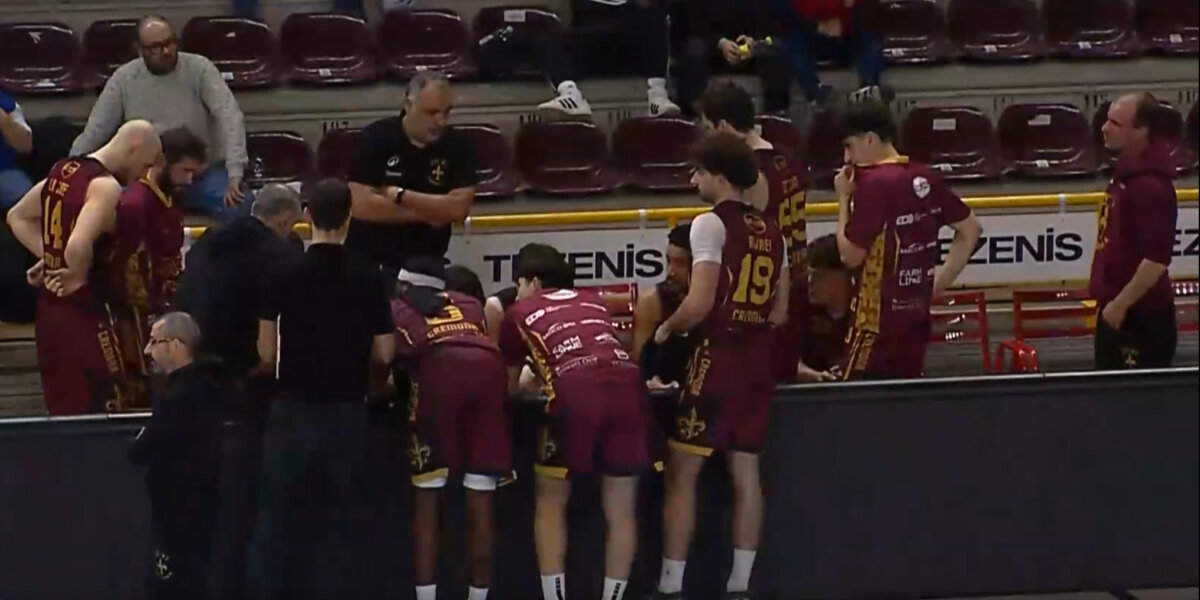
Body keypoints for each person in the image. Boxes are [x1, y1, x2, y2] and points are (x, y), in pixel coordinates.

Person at [650, 132, 787, 600]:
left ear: (720, 176)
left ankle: (671, 584)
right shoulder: (773, 229)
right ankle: (740, 585)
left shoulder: (709, 224)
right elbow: (779, 311)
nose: (693, 180)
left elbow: (700, 301)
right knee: (747, 474)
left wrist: (666, 330)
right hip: (758, 358)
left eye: (698, 172)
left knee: (682, 471)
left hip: (717, 356)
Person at [248, 178, 394, 600]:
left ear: (307, 215)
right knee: (341, 522)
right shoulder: (368, 276)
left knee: (275, 520)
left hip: (291, 410)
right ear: (350, 218)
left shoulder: (281, 272)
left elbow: (266, 350)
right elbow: (385, 352)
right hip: (347, 411)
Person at [498, 249, 649, 600]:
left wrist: (530, 383)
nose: (517, 292)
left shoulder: (517, 312)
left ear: (534, 283)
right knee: (621, 506)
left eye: (519, 284)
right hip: (629, 386)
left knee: (551, 499)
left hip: (574, 391)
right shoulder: (594, 301)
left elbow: (508, 388)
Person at [5, 120, 161, 415]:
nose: (142, 175)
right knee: (98, 405)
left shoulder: (62, 169)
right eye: (145, 165)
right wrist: (76, 274)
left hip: (49, 311)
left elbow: (17, 216)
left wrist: (52, 258)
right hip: (84, 313)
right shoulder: (105, 186)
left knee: (62, 406)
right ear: (134, 148)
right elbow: (78, 243)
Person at [834, 99, 982, 380]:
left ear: (869, 140)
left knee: (856, 403)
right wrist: (937, 284)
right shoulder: (926, 176)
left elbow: (849, 256)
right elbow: (971, 229)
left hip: (875, 327)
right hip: (916, 322)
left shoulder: (873, 184)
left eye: (849, 146)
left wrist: (842, 199)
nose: (846, 158)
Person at [391, 258, 510, 600]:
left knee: (428, 497)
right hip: (489, 371)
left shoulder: (395, 307)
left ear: (405, 286)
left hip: (438, 374)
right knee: (481, 497)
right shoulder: (470, 303)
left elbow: (383, 357)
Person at [70, 16, 248, 216]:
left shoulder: (200, 68)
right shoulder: (123, 79)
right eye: (156, 47)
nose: (166, 51)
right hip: (147, 179)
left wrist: (235, 172)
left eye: (170, 43)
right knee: (108, 206)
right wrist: (70, 170)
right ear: (140, 50)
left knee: (240, 205)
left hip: (200, 174)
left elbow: (229, 116)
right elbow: (96, 131)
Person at [696, 81, 810, 384]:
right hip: (798, 277)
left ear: (723, 126)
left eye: (708, 128)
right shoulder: (789, 158)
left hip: (768, 293)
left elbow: (756, 237)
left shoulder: (752, 173)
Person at [110, 126, 208, 409]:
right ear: (162, 162)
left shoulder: (169, 197)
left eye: (194, 173)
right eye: (185, 171)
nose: (189, 180)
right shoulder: (136, 204)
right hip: (142, 318)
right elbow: (128, 275)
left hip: (168, 305)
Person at [347, 71, 478, 279]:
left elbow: (458, 209)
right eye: (431, 113)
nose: (441, 121)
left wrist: (398, 195)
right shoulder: (375, 137)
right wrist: (434, 211)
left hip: (428, 265)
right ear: (408, 105)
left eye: (446, 112)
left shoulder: (458, 146)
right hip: (370, 262)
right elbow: (362, 206)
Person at [130, 312, 223, 600]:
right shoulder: (210, 388)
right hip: (202, 510)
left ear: (176, 345)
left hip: (177, 515)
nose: (148, 350)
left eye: (154, 341)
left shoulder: (177, 398)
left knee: (171, 586)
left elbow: (140, 449)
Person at [1092, 92, 1180, 369]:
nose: (1105, 128)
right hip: (1117, 309)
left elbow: (1156, 260)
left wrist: (1120, 305)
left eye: (1116, 123)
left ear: (1142, 130)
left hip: (1139, 316)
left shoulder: (1151, 187)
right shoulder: (1126, 175)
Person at [531, 0, 680, 119]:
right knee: (547, 35)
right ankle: (570, 95)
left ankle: (657, 96)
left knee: (655, 16)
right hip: (591, 40)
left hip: (629, 44)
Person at [671, 0, 791, 117]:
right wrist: (720, 43)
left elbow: (768, 22)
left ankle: (775, 116)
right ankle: (692, 115)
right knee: (694, 48)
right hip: (712, 48)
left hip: (750, 49)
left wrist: (753, 41)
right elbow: (694, 22)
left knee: (775, 50)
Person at [783, 0, 886, 106]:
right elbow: (791, 18)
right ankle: (818, 96)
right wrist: (820, 27)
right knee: (794, 41)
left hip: (848, 37)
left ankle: (869, 93)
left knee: (870, 36)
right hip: (815, 37)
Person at [631, 224, 694, 389]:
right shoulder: (653, 300)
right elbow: (639, 366)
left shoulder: (719, 298)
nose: (671, 271)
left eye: (680, 263)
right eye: (668, 261)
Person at [798, 233, 851, 381]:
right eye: (809, 274)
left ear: (844, 276)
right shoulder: (801, 297)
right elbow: (785, 359)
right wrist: (812, 376)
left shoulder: (864, 307)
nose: (810, 282)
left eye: (819, 276)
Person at [0, 89, 33, 213]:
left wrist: (3, 119)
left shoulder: (6, 102)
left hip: (4, 171)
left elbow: (26, 146)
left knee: (27, 199)